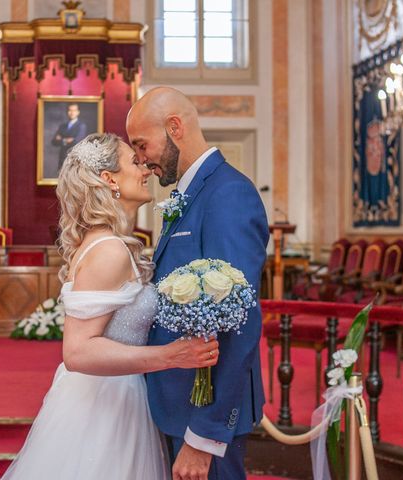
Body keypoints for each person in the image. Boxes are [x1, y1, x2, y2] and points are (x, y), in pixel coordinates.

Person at [1, 133, 220, 480]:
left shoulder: (111, 243)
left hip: (117, 394)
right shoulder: (109, 250)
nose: (146, 168)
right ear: (109, 179)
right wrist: (171, 356)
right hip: (105, 405)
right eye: (135, 162)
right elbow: (78, 352)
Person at [126, 87, 269, 480]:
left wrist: (203, 437)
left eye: (142, 145)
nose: (140, 159)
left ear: (175, 127)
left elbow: (239, 323)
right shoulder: (189, 193)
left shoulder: (228, 194)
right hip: (176, 403)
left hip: (203, 416)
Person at [51, 103, 88, 170]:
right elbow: (54, 141)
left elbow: (77, 142)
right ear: (67, 112)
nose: (72, 113)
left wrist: (61, 139)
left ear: (78, 112)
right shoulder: (62, 126)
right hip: (62, 159)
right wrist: (66, 140)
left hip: (74, 160)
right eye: (70, 110)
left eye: (74, 110)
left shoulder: (81, 126)